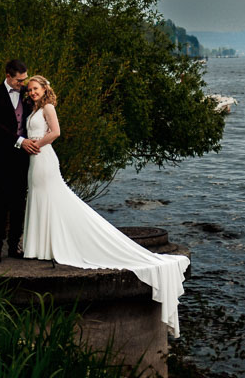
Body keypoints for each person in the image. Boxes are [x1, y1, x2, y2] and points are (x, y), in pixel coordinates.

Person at [22, 75, 190, 337]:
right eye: (29, 89)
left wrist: (35, 144)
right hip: (35, 159)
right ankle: (42, 246)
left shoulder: (48, 108)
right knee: (39, 197)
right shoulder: (33, 109)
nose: (32, 92)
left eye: (36, 88)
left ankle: (52, 243)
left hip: (43, 157)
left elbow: (56, 133)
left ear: (45, 89)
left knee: (52, 198)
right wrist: (28, 144)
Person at [0, 59, 39, 263]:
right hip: (3, 155)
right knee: (1, 201)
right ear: (8, 76)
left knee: (19, 202)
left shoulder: (26, 93)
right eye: (19, 80)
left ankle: (13, 245)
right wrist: (20, 141)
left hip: (24, 157)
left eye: (24, 80)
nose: (22, 84)